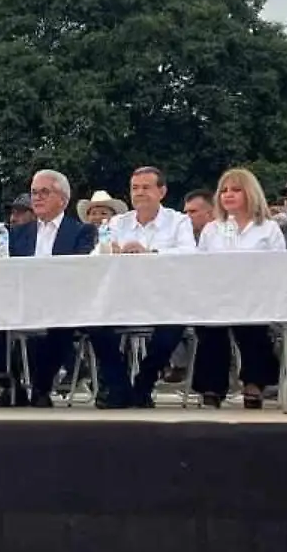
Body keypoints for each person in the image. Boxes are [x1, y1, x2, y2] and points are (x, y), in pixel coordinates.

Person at [87, 166, 197, 408]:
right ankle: (119, 386)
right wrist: (110, 251)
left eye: (146, 187)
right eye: (135, 188)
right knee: (93, 324)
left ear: (162, 192)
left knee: (174, 326)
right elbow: (94, 257)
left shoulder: (178, 221)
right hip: (121, 299)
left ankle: (144, 382)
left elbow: (189, 253)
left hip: (164, 298)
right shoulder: (117, 222)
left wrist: (150, 253)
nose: (139, 193)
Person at [0, 169, 97, 408]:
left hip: (62, 303)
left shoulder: (82, 232)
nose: (36, 197)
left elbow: (80, 272)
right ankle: (12, 386)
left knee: (60, 322)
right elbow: (1, 271)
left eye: (44, 192)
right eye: (34, 192)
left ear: (63, 199)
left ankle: (41, 387)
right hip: (20, 301)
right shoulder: (16, 234)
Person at [191, 168, 285, 409]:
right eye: (224, 190)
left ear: (250, 193)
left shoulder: (268, 228)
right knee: (210, 328)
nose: (228, 195)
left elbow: (279, 266)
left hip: (257, 296)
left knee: (252, 327)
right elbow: (201, 266)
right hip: (219, 296)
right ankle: (213, 386)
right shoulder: (212, 229)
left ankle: (255, 382)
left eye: (235, 190)